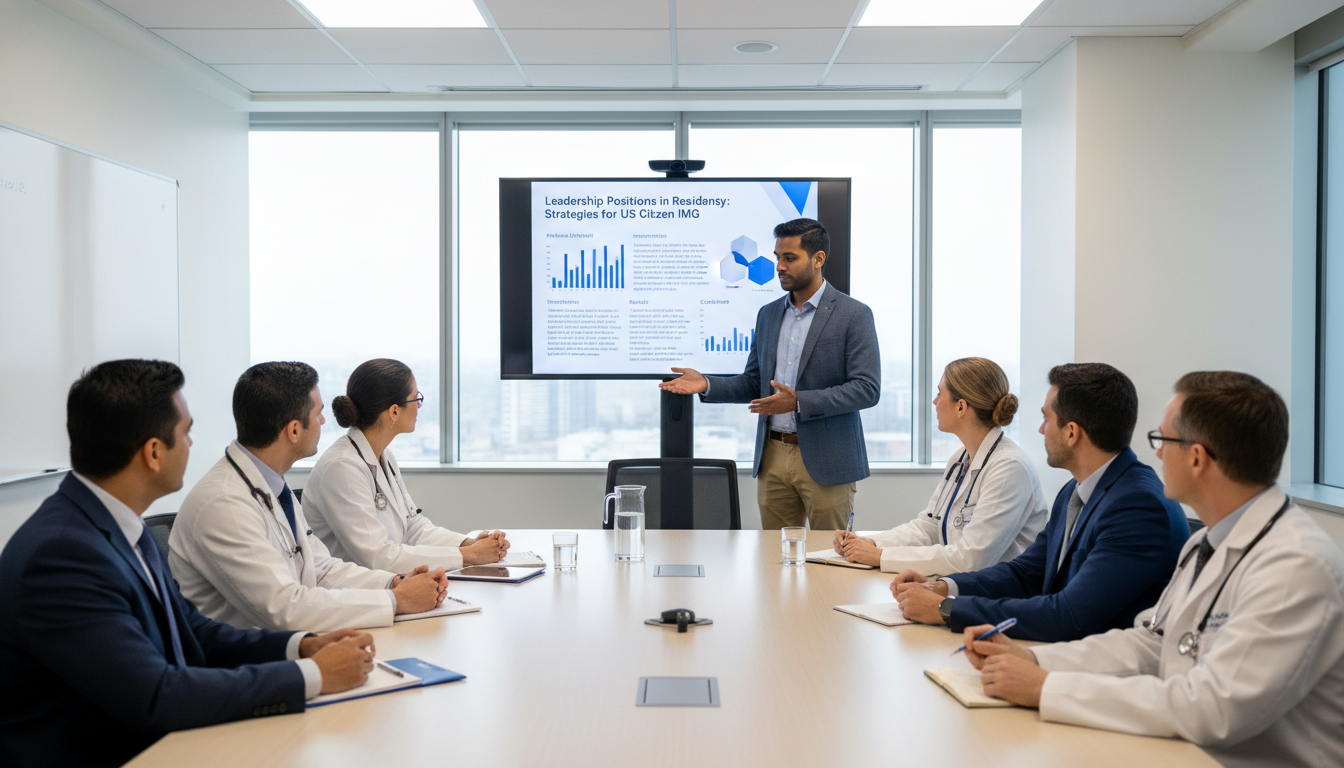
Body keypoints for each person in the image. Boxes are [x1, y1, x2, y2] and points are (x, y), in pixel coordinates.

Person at [0, 360, 378, 767]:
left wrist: (301, 647)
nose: (193, 445)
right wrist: (314, 676)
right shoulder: (62, 557)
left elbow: (191, 632)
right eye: (186, 432)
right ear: (153, 452)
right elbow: (157, 695)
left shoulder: (118, 524)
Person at [963, 372, 1344, 768]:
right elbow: (1152, 643)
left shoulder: (1296, 566)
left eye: (1162, 440)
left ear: (1197, 457)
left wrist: (1049, 689)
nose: (1156, 454)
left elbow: (1212, 709)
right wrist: (1036, 661)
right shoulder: (1205, 544)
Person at [892, 363, 1189, 641]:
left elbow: (1069, 614)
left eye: (1046, 418)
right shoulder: (1076, 490)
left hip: (1104, 671)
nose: (1040, 429)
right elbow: (1026, 573)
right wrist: (944, 587)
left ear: (1071, 432)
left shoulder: (1137, 507)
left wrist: (948, 609)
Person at [170, 362, 449, 632]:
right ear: (293, 430)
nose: (324, 421)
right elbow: (284, 608)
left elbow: (322, 569)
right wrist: (395, 600)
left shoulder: (271, 484)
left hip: (291, 646)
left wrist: (393, 583)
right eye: (318, 414)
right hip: (246, 666)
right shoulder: (223, 504)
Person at [659, 218, 880, 530]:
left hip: (828, 460)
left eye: (790, 258)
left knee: (830, 561)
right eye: (778, 257)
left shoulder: (853, 314)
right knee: (775, 559)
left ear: (818, 259)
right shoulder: (768, 314)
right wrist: (707, 383)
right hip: (773, 455)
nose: (780, 266)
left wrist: (797, 401)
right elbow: (753, 382)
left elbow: (866, 389)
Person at [832, 357, 1048, 574]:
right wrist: (869, 543)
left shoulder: (1009, 467)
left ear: (961, 407)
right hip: (965, 585)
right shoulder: (960, 459)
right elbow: (929, 528)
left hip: (1001, 595)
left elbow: (970, 559)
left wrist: (881, 556)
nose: (935, 402)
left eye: (939, 393)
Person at [303, 358, 509, 572]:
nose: (419, 406)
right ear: (394, 411)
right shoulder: (341, 468)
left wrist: (469, 544)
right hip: (353, 594)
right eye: (415, 399)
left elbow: (413, 527)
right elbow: (378, 557)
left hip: (387, 584)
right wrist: (468, 556)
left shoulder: (385, 456)